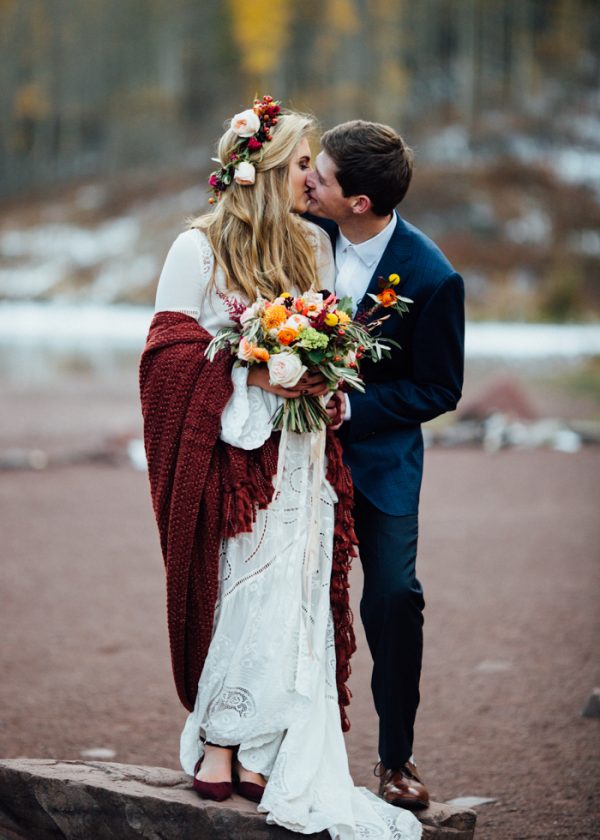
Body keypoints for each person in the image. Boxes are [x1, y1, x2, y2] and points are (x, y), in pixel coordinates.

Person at [140, 99, 422, 840]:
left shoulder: (314, 247)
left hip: (300, 458)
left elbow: (328, 340)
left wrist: (325, 389)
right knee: (241, 588)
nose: (313, 179)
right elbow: (166, 362)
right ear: (263, 167)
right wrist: (250, 376)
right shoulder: (195, 249)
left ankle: (263, 743)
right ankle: (219, 736)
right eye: (302, 164)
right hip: (233, 460)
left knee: (293, 595)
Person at [305, 120, 465, 810]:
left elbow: (439, 387)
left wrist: (351, 411)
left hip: (378, 459)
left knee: (395, 598)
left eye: (323, 174)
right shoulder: (300, 231)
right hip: (288, 449)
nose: (308, 177)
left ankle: (396, 759)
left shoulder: (431, 277)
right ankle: (270, 748)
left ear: (359, 203)